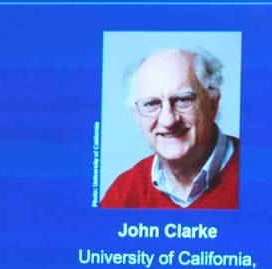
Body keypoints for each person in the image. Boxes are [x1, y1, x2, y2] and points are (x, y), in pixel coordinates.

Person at [100, 47, 240, 209]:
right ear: (136, 115)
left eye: (182, 100)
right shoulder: (123, 193)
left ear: (213, 103)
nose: (168, 121)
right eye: (151, 104)